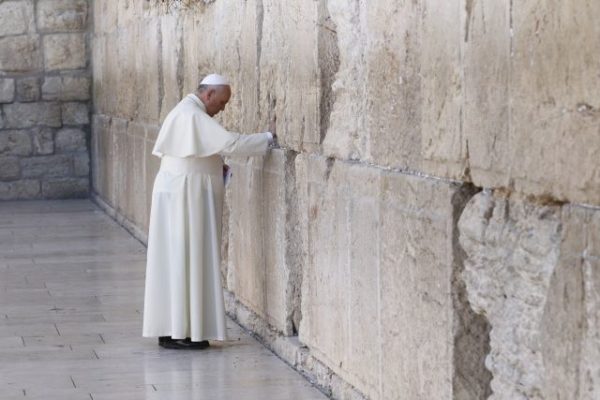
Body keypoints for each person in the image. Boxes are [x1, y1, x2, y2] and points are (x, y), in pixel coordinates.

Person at [142, 73, 275, 349]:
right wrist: (267, 139)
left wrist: (215, 164)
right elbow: (230, 143)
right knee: (186, 258)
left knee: (177, 260)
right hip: (185, 197)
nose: (222, 108)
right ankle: (180, 332)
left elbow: (196, 152)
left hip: (181, 193)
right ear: (209, 94)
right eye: (222, 102)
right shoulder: (192, 115)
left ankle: (174, 329)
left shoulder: (186, 111)